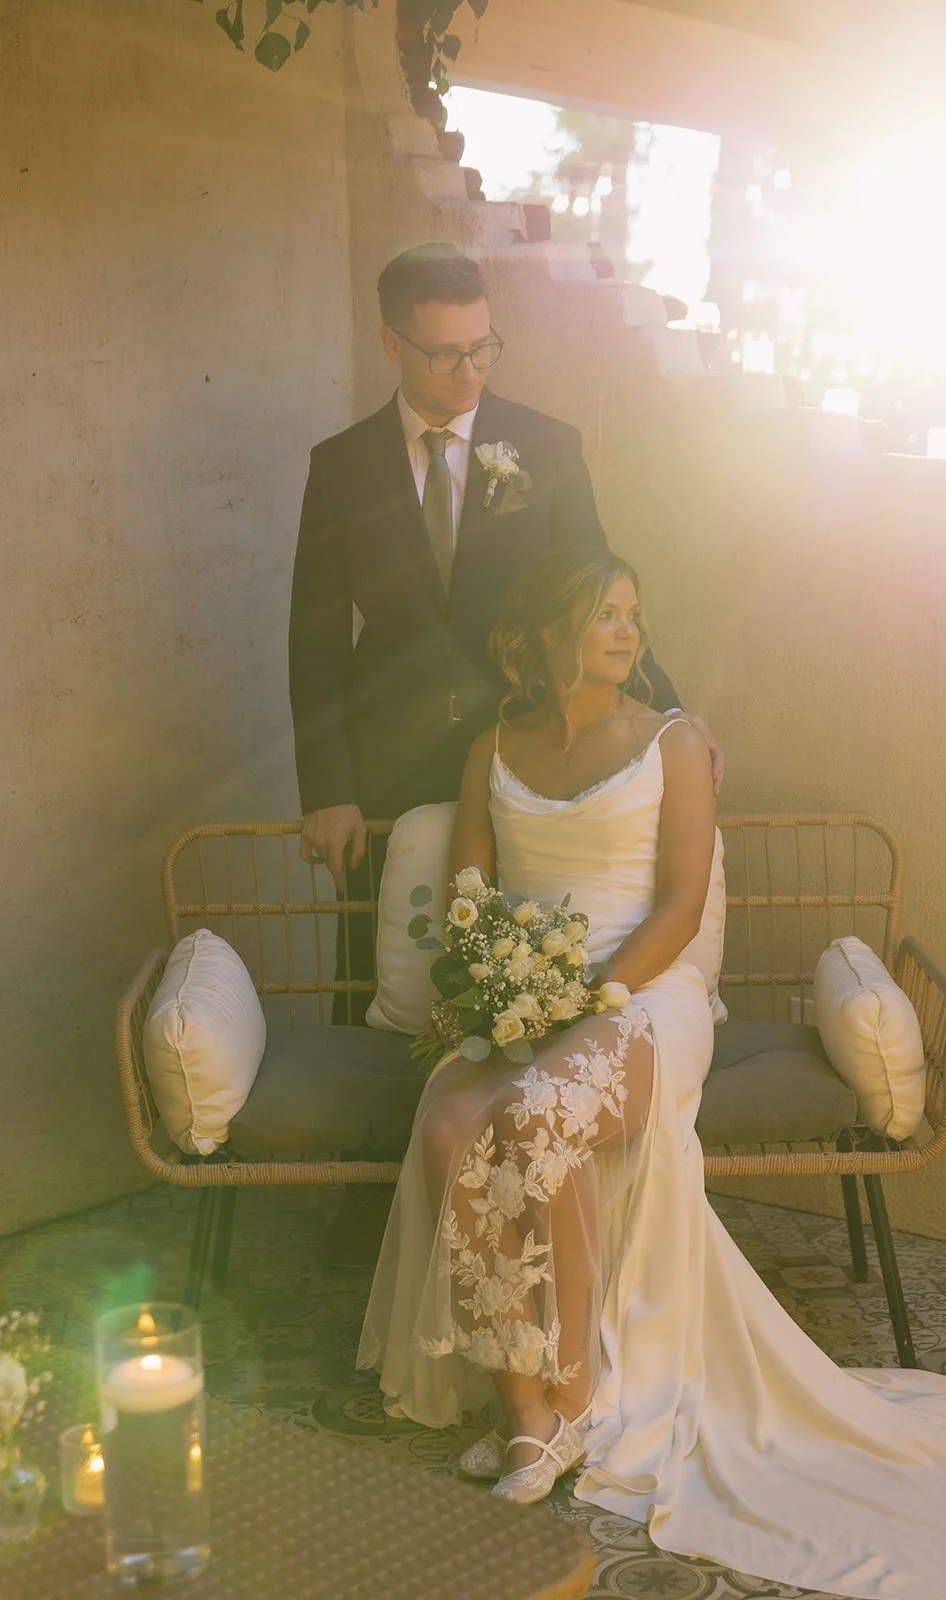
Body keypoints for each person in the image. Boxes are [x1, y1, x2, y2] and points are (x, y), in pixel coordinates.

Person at [359, 549, 946, 1598]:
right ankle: (522, 1404)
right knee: (448, 1132)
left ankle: (564, 1400)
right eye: (603, 613)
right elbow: (469, 898)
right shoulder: (488, 748)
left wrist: (586, 999)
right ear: (547, 633)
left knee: (540, 1120)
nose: (626, 631)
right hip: (525, 996)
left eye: (632, 614)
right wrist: (496, 991)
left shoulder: (672, 742)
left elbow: (681, 907)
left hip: (640, 997)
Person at [289, 242, 720, 1262]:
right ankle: (388, 1209)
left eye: (481, 347)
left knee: (518, 950)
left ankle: (525, 1171)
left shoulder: (545, 444)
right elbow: (312, 635)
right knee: (387, 965)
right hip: (387, 755)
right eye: (441, 354)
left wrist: (677, 727)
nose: (466, 371)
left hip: (527, 740)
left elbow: (597, 587)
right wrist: (330, 789)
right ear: (391, 340)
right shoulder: (338, 464)